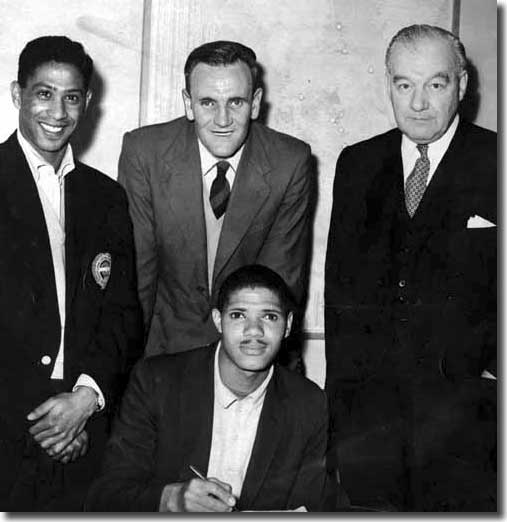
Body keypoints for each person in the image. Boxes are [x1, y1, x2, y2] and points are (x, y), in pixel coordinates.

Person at [325, 24, 496, 511]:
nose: (418, 103)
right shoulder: (357, 164)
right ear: (389, 86)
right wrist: (339, 420)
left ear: (462, 85)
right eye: (405, 85)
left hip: (469, 429)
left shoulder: (497, 161)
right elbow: (339, 298)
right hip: (370, 429)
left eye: (436, 84)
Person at [0, 36, 143, 510]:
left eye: (72, 97)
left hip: (83, 432)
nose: (58, 112)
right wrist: (48, 427)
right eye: (44, 93)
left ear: (88, 103)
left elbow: (122, 316)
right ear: (18, 94)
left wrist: (83, 402)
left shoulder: (105, 197)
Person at [86, 264, 339, 512]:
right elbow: (104, 498)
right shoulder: (156, 381)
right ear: (218, 320)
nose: (254, 330)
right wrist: (170, 500)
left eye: (269, 316)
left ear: (288, 325)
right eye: (238, 315)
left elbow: (315, 505)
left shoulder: (308, 403)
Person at [118, 40, 314, 356]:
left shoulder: (289, 162)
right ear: (188, 104)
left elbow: (277, 287)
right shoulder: (144, 153)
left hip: (247, 353)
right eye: (208, 102)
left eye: (236, 102)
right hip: (161, 353)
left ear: (256, 103)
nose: (222, 120)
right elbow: (137, 281)